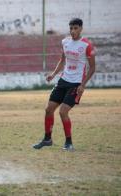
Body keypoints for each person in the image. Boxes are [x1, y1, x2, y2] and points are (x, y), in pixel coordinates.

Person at [33, 18, 96, 151]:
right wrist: (53, 74)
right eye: (71, 28)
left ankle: (68, 142)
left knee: (63, 112)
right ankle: (47, 139)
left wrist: (83, 85)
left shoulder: (87, 45)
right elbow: (62, 60)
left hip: (76, 84)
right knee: (48, 109)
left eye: (76, 28)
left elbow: (92, 67)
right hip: (63, 81)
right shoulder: (65, 42)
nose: (73, 31)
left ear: (81, 29)